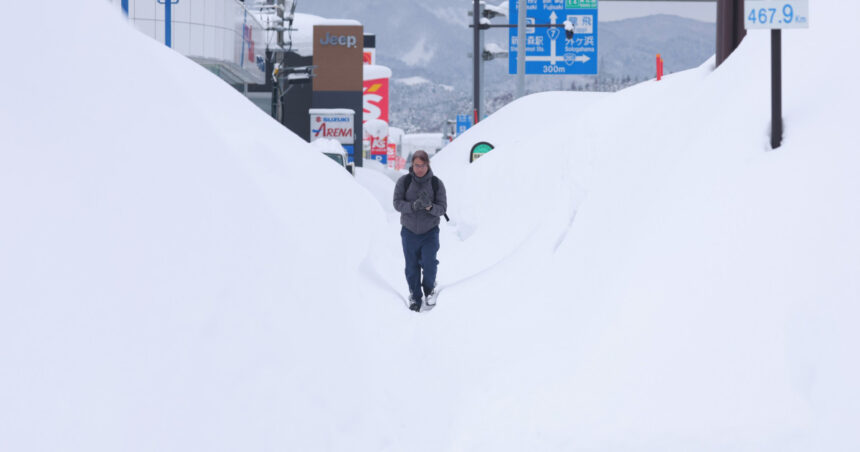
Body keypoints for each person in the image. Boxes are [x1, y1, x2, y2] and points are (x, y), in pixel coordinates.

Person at [393, 150, 447, 312]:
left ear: (427, 165)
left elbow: (443, 208)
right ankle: (415, 297)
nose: (420, 169)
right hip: (409, 231)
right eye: (417, 165)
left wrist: (430, 207)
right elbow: (396, 203)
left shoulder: (436, 183)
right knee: (411, 266)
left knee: (429, 264)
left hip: (430, 231)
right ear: (412, 165)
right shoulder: (404, 182)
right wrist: (413, 206)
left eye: (423, 165)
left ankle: (429, 289)